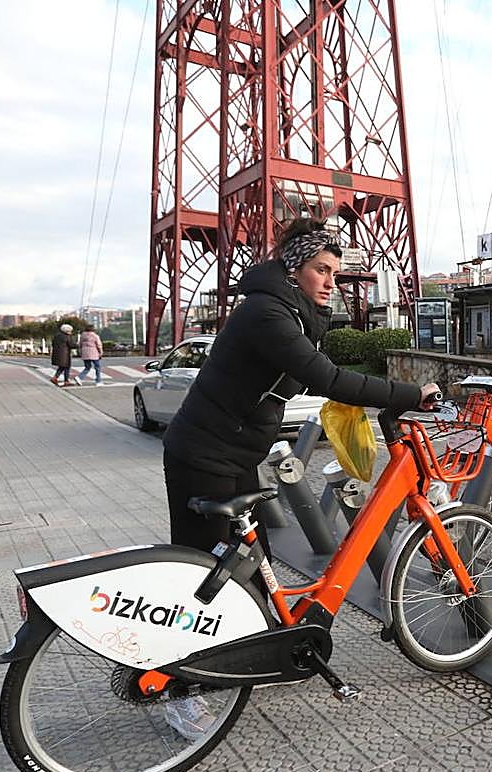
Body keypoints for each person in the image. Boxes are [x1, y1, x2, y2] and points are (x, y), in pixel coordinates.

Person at [161, 217, 437, 558]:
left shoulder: (288, 312)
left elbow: (300, 378)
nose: (330, 283)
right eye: (321, 270)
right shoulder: (267, 314)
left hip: (233, 455)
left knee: (252, 561)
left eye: (334, 273)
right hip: (204, 457)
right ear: (293, 269)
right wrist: (412, 394)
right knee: (205, 565)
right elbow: (328, 378)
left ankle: (261, 612)